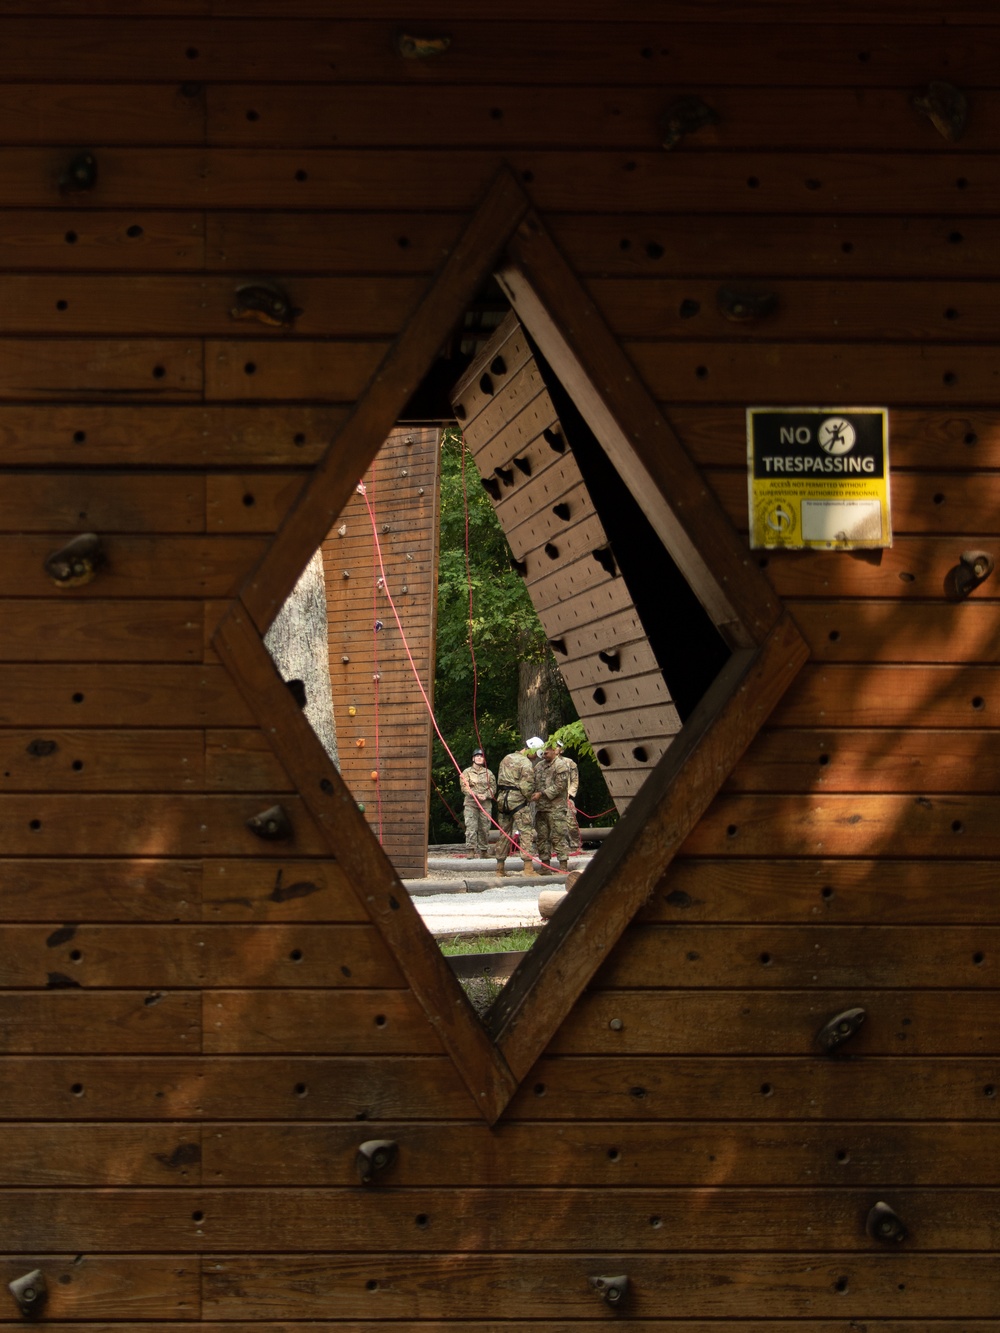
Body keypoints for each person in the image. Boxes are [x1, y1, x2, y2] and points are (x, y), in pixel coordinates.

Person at [494, 736, 544, 877]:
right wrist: (531, 797)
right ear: (532, 749)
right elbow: (526, 786)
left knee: (504, 833)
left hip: (502, 799)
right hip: (517, 801)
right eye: (536, 754)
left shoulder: (506, 758)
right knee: (526, 831)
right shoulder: (525, 763)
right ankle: (528, 868)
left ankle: (500, 868)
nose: (535, 758)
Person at [531, 739, 575, 873]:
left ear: (554, 751)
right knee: (542, 837)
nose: (544, 753)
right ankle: (545, 866)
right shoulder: (539, 766)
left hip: (556, 808)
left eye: (547, 751)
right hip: (541, 808)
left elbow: (560, 786)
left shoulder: (560, 766)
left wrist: (542, 793)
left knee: (558, 836)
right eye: (543, 751)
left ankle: (563, 865)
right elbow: (533, 782)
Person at [459, 748, 496, 859]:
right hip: (471, 803)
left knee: (485, 827)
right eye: (477, 756)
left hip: (485, 804)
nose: (479, 757)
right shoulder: (466, 772)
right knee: (471, 826)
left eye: (481, 756)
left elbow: (493, 788)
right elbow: (464, 787)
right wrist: (475, 794)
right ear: (473, 758)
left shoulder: (488, 773)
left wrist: (486, 795)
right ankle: (471, 850)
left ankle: (484, 851)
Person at [555, 740, 581, 853]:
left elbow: (575, 779)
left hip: (566, 797)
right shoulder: (545, 763)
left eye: (557, 747)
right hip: (551, 799)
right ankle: (557, 847)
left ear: (562, 749)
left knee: (571, 823)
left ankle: (575, 845)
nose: (555, 748)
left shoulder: (569, 762)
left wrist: (570, 793)